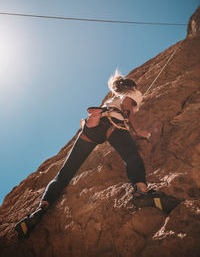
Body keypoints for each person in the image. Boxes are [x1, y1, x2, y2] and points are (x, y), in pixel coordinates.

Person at [15, 70, 180, 237]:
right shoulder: (134, 93)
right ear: (132, 86)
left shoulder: (111, 97)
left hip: (92, 127)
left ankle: (40, 210)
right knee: (132, 158)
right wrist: (137, 131)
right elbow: (127, 107)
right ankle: (141, 192)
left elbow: (123, 103)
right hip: (113, 125)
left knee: (64, 174)